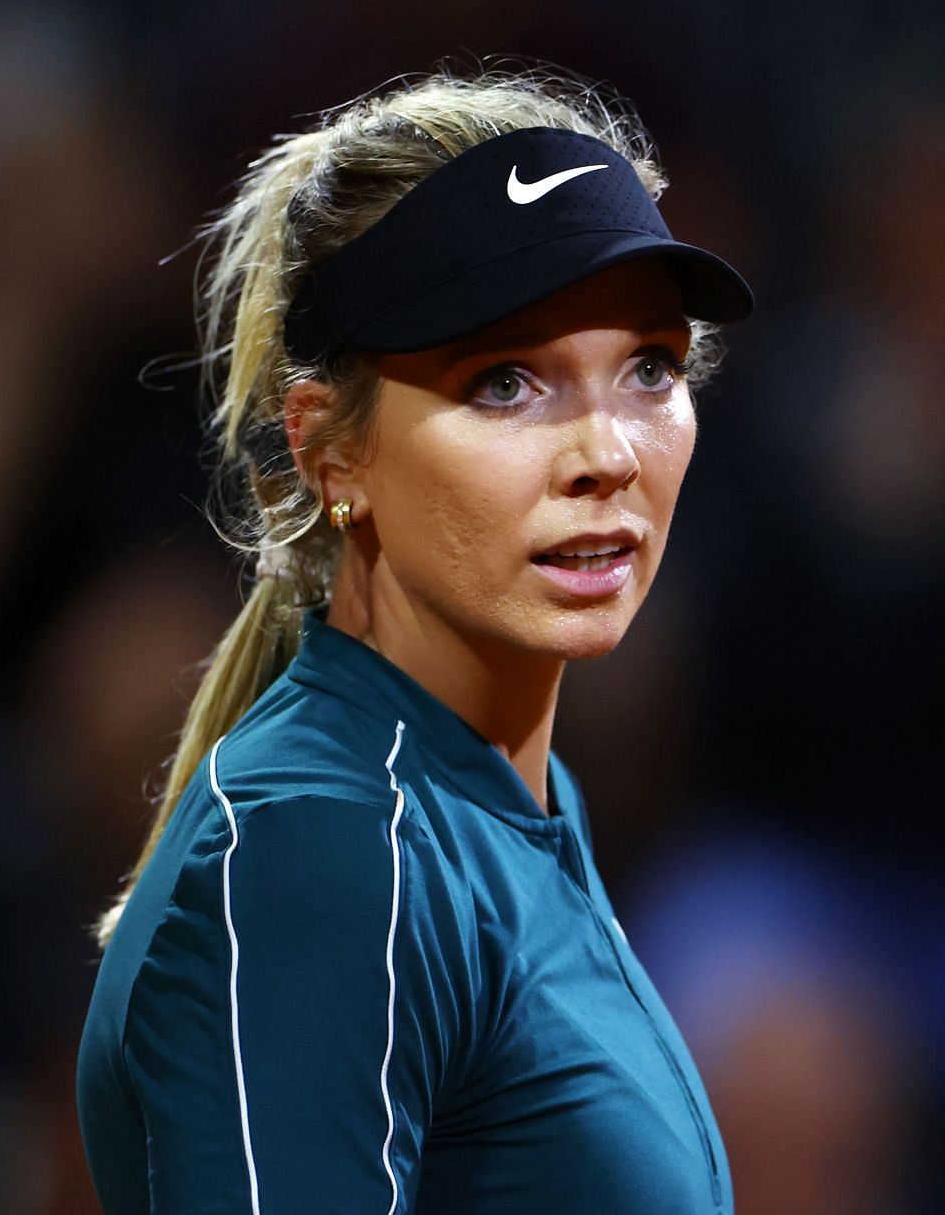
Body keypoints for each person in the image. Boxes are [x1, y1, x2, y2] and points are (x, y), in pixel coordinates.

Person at [74, 64, 754, 1213]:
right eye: (505, 382)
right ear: (330, 451)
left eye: (648, 367)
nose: (607, 452)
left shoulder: (506, 792)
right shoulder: (326, 853)